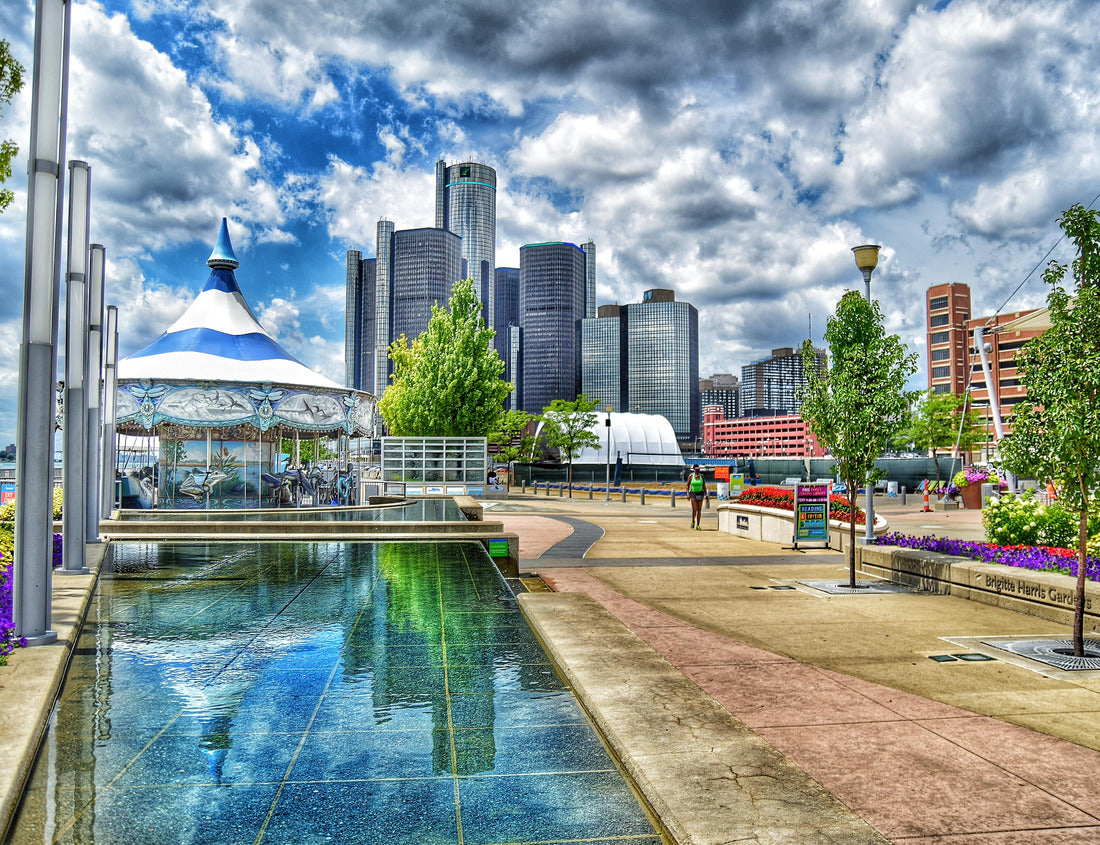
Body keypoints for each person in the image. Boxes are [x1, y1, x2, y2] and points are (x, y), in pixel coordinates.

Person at [686, 465, 709, 530]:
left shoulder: (702, 476)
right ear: (694, 470)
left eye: (698, 469)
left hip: (700, 493)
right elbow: (687, 485)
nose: (697, 471)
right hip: (693, 493)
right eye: (696, 470)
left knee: (699, 510)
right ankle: (693, 520)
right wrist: (688, 494)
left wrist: (706, 495)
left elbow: (704, 486)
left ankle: (698, 525)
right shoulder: (691, 476)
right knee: (695, 509)